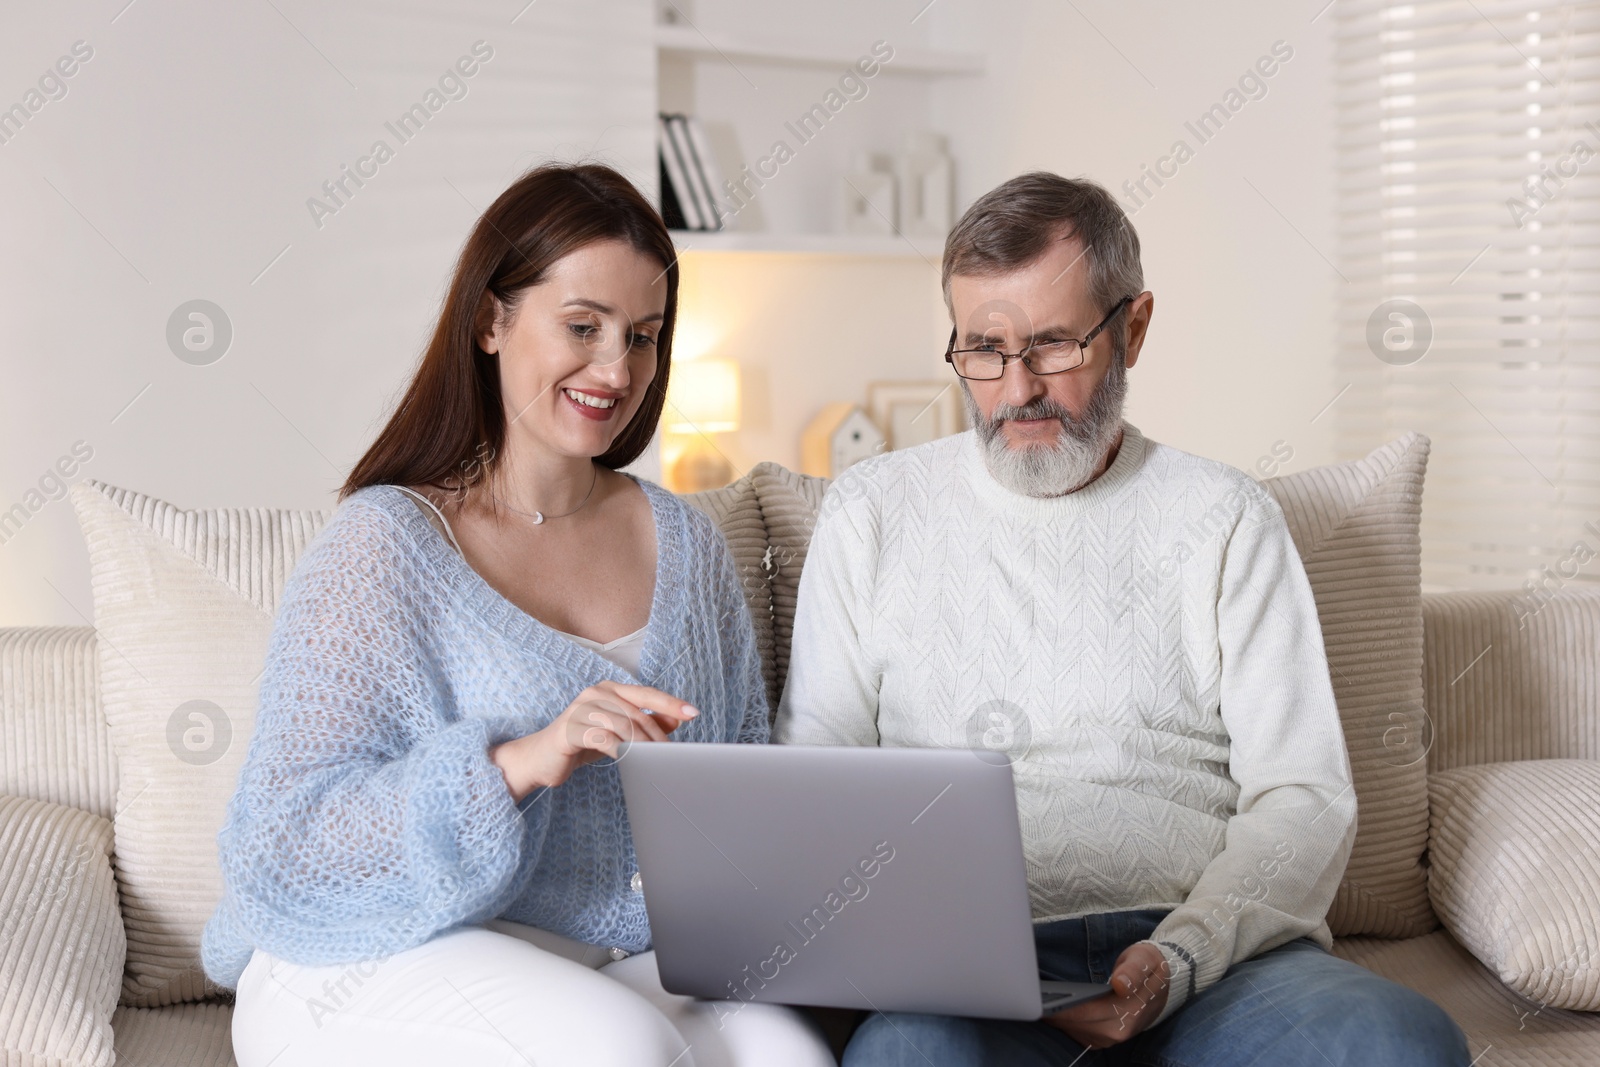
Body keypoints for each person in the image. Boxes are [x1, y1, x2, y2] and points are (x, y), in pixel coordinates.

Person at [774, 171, 1470, 1065]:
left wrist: (1181, 954)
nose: (1016, 387)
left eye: (1055, 345)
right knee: (910, 1056)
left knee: (1399, 1042)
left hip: (1212, 963)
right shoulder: (871, 511)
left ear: (1133, 328)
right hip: (972, 978)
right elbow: (814, 778)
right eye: (983, 348)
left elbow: (1302, 794)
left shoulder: (1224, 516)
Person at [201, 162, 834, 1067]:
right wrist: (519, 763)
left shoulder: (686, 546)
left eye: (644, 336)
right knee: (623, 1049)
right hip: (365, 950)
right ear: (492, 321)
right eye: (583, 326)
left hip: (602, 955)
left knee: (789, 1053)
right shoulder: (385, 544)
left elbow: (740, 790)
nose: (617, 369)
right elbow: (287, 842)